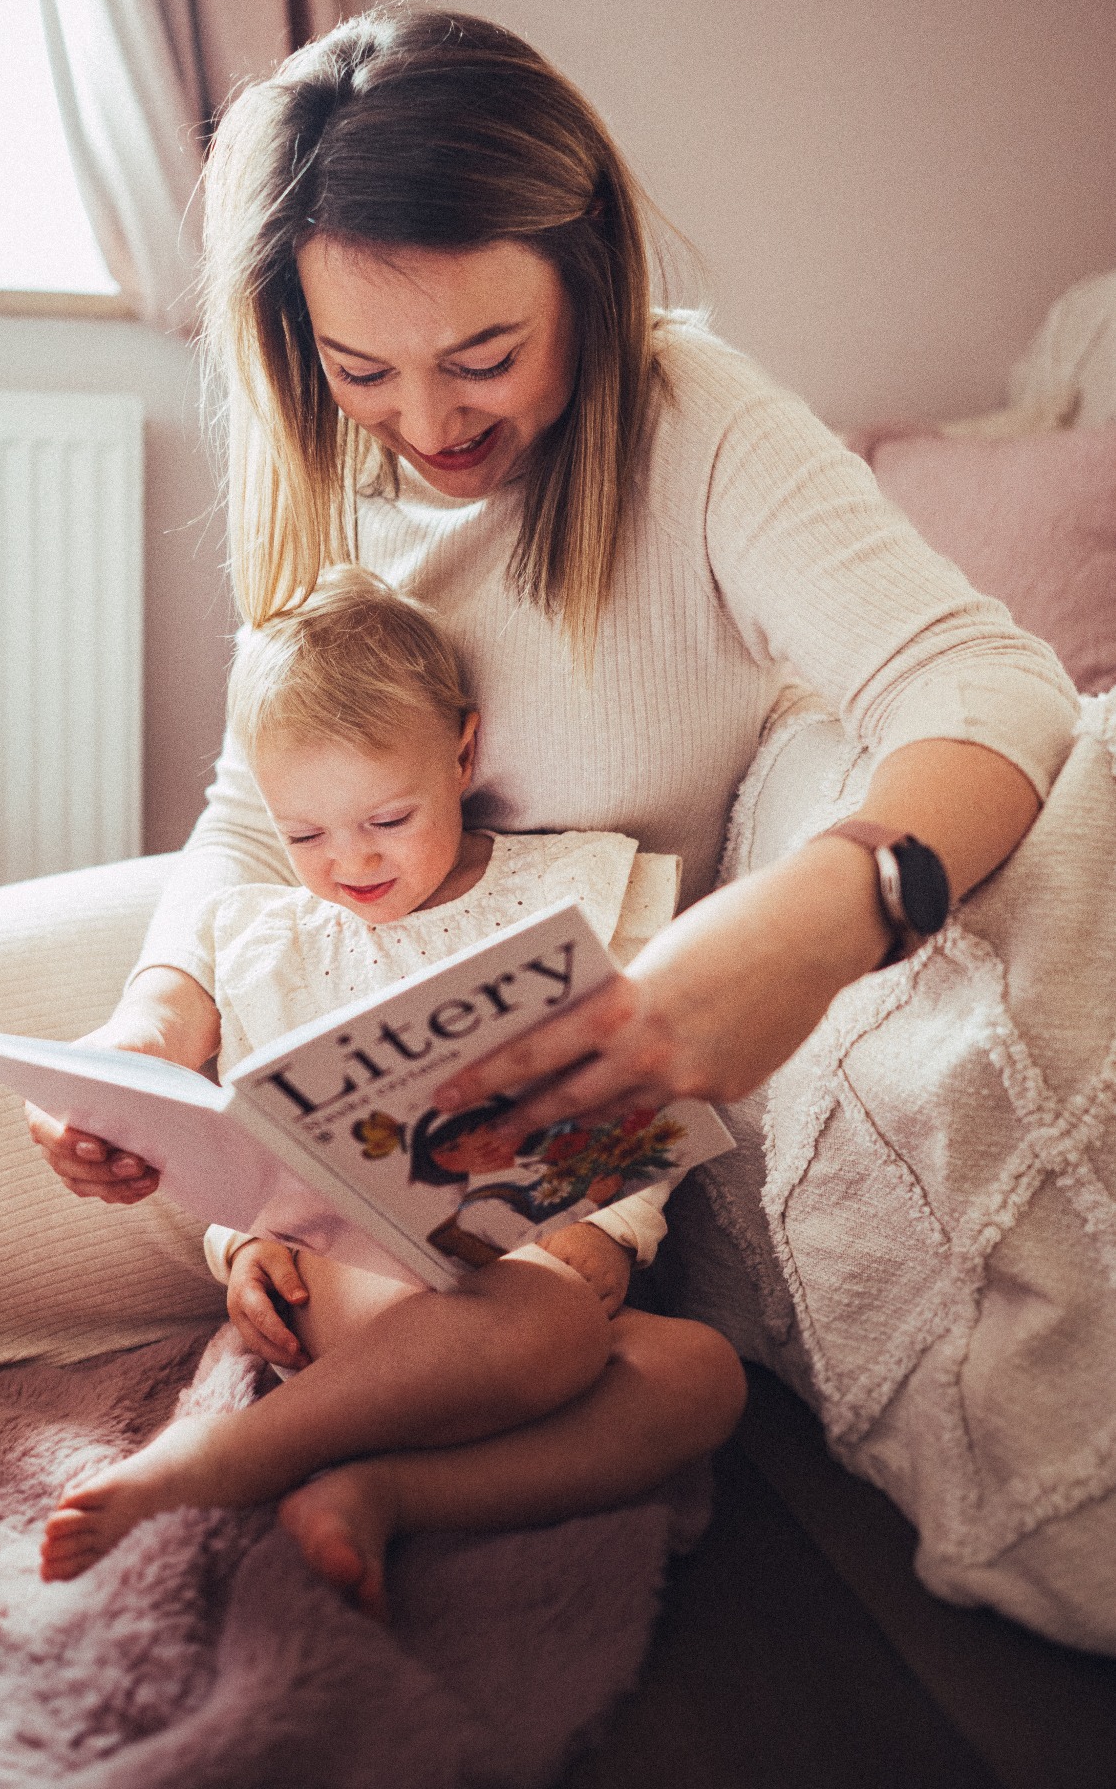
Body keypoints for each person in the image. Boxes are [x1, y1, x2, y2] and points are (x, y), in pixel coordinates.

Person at [28, 5, 1077, 1594]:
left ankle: (280, 1464)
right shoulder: (323, 459)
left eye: (485, 358)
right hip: (322, 990)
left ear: (584, 271)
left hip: (551, 1116)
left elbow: (991, 684)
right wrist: (152, 1020)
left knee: (623, 1365)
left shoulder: (696, 425)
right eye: (363, 370)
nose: (432, 428)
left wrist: (826, 907)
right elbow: (257, 806)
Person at [40, 567, 740, 1606]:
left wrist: (614, 1230)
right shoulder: (271, 940)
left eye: (387, 817)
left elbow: (635, 1090)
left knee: (700, 1374)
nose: (348, 862)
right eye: (304, 834)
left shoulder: (576, 889)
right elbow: (250, 1140)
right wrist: (242, 1253)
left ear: (462, 754)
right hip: (354, 1288)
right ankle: (242, 1453)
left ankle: (384, 1490)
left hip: (544, 1273)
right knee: (543, 1328)